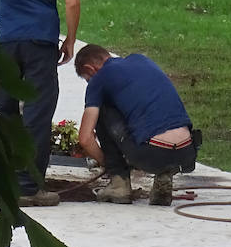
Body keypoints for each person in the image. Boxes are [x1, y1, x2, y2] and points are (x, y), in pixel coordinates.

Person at [0, 0, 81, 207]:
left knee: (4, 108)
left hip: (5, 40)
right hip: (40, 43)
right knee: (37, 113)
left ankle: (2, 180)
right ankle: (29, 188)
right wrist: (70, 40)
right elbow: (71, 1)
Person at [74, 44, 200, 206]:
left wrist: (109, 163)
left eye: (87, 79)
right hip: (186, 152)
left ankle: (119, 184)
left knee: (101, 108)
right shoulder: (142, 61)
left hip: (151, 152)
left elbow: (85, 138)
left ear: (90, 69)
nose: (89, 82)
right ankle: (164, 173)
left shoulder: (99, 80)